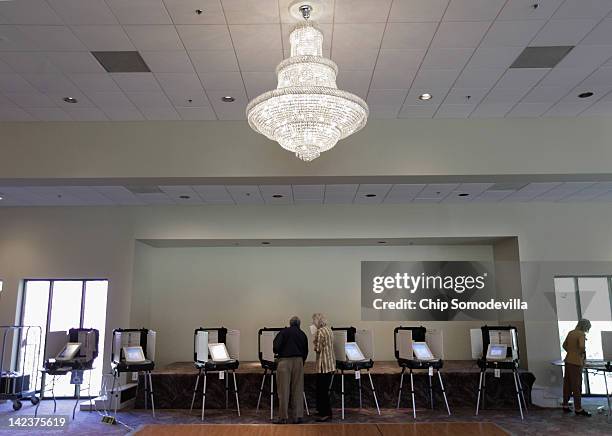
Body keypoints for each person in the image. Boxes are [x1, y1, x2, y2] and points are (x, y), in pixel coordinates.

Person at [273, 316, 308, 424]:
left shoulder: (283, 332)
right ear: (299, 324)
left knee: (283, 390)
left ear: (290, 323)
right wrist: (302, 362)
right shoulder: (302, 334)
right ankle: (297, 416)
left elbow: (275, 347)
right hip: (298, 361)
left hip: (284, 362)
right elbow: (306, 350)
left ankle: (283, 417)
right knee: (298, 389)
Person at [562, 318, 592, 417]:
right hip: (576, 363)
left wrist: (571, 352)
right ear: (585, 326)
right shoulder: (581, 334)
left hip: (568, 361)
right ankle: (578, 409)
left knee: (567, 384)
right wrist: (581, 354)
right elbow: (582, 347)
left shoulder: (571, 332)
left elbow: (564, 345)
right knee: (577, 385)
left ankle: (565, 405)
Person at [311, 313, 335, 422]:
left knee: (322, 390)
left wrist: (314, 339)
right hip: (330, 364)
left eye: (314, 321)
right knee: (324, 389)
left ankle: (326, 413)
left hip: (323, 366)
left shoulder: (320, 332)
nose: (313, 323)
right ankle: (322, 410)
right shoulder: (329, 330)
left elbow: (317, 349)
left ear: (317, 321)